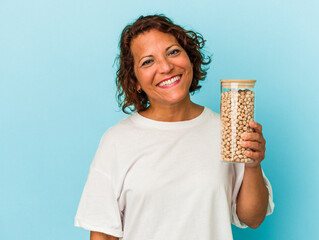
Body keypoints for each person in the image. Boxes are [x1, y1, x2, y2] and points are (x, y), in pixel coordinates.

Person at [74, 14, 274, 240]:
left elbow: (253, 218)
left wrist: (253, 164)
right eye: (148, 61)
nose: (166, 67)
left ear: (190, 58)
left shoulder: (226, 131)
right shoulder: (117, 140)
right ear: (135, 82)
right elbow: (103, 235)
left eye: (173, 52)